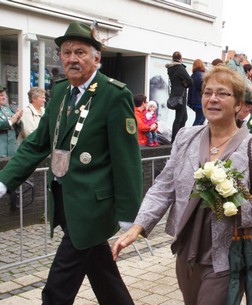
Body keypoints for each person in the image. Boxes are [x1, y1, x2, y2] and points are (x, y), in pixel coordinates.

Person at [112, 65, 252, 305]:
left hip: (228, 254)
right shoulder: (185, 137)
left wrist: (238, 202)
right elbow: (164, 186)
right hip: (187, 251)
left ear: (238, 104)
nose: (213, 99)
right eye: (207, 92)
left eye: (223, 93)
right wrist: (139, 225)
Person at [0, 22, 142, 304]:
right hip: (64, 202)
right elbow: (37, 143)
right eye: (66, 52)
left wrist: (129, 211)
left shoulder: (114, 95)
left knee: (57, 289)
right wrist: (5, 180)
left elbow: (126, 159)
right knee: (103, 276)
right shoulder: (61, 92)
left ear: (96, 58)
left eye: (80, 52)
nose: (72, 59)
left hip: (93, 208)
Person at [166, 51, 192, 143]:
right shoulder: (180, 68)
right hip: (181, 95)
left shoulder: (170, 68)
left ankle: (178, 138)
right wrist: (185, 84)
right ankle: (175, 140)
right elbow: (190, 80)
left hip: (174, 93)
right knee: (179, 118)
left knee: (184, 117)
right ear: (180, 58)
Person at [0, 86, 23, 157]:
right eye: (1, 95)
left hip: (12, 151)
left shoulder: (7, 109)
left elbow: (18, 129)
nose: (4, 97)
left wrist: (18, 121)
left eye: (5, 95)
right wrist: (11, 120)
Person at [188, 59, 206, 126]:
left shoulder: (193, 75)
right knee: (200, 120)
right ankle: (193, 134)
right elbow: (202, 87)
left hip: (195, 100)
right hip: (199, 101)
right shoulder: (200, 75)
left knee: (199, 119)